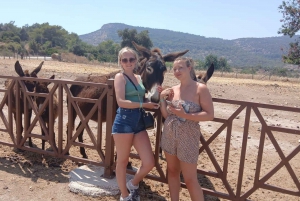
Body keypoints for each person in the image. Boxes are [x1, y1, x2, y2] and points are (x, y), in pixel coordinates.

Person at [159, 57, 214, 201]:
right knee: (172, 171)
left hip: (189, 136)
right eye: (175, 69)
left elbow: (209, 115)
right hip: (169, 135)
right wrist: (162, 99)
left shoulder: (200, 89)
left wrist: (186, 115)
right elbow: (166, 115)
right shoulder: (173, 90)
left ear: (189, 68)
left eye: (180, 68)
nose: (177, 71)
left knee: (190, 179)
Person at [112, 47, 161, 201]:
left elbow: (142, 99)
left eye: (131, 59)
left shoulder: (139, 78)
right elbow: (121, 102)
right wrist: (143, 105)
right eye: (124, 60)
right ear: (120, 62)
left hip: (139, 122)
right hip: (124, 122)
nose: (128, 62)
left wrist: (158, 96)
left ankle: (132, 184)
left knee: (149, 162)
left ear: (136, 61)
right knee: (122, 161)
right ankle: (125, 196)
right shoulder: (120, 77)